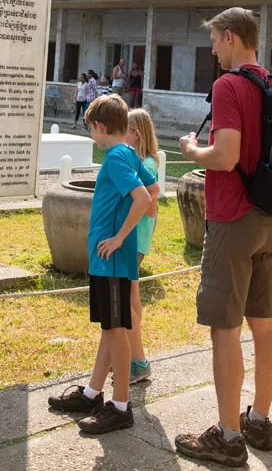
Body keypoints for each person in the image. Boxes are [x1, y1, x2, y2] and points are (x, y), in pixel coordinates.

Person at [177, 7, 272, 466]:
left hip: (232, 218)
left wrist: (190, 150)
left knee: (225, 329)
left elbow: (224, 156)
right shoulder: (270, 83)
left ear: (234, 37)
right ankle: (258, 420)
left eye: (217, 40)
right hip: (269, 218)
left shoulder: (228, 86)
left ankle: (228, 436)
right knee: (265, 323)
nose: (214, 49)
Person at [46, 94, 153, 434]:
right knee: (111, 327)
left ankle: (120, 405)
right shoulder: (130, 154)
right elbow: (152, 189)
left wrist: (119, 236)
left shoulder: (117, 157)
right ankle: (93, 392)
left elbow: (144, 200)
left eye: (91, 128)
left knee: (116, 330)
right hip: (111, 261)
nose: (91, 134)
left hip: (112, 261)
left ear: (101, 127)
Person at [125, 108, 163, 385]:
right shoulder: (145, 161)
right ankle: (130, 355)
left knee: (125, 302)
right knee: (132, 298)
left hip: (132, 241)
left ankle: (138, 361)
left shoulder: (145, 166)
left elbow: (149, 208)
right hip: (136, 241)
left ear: (136, 134)